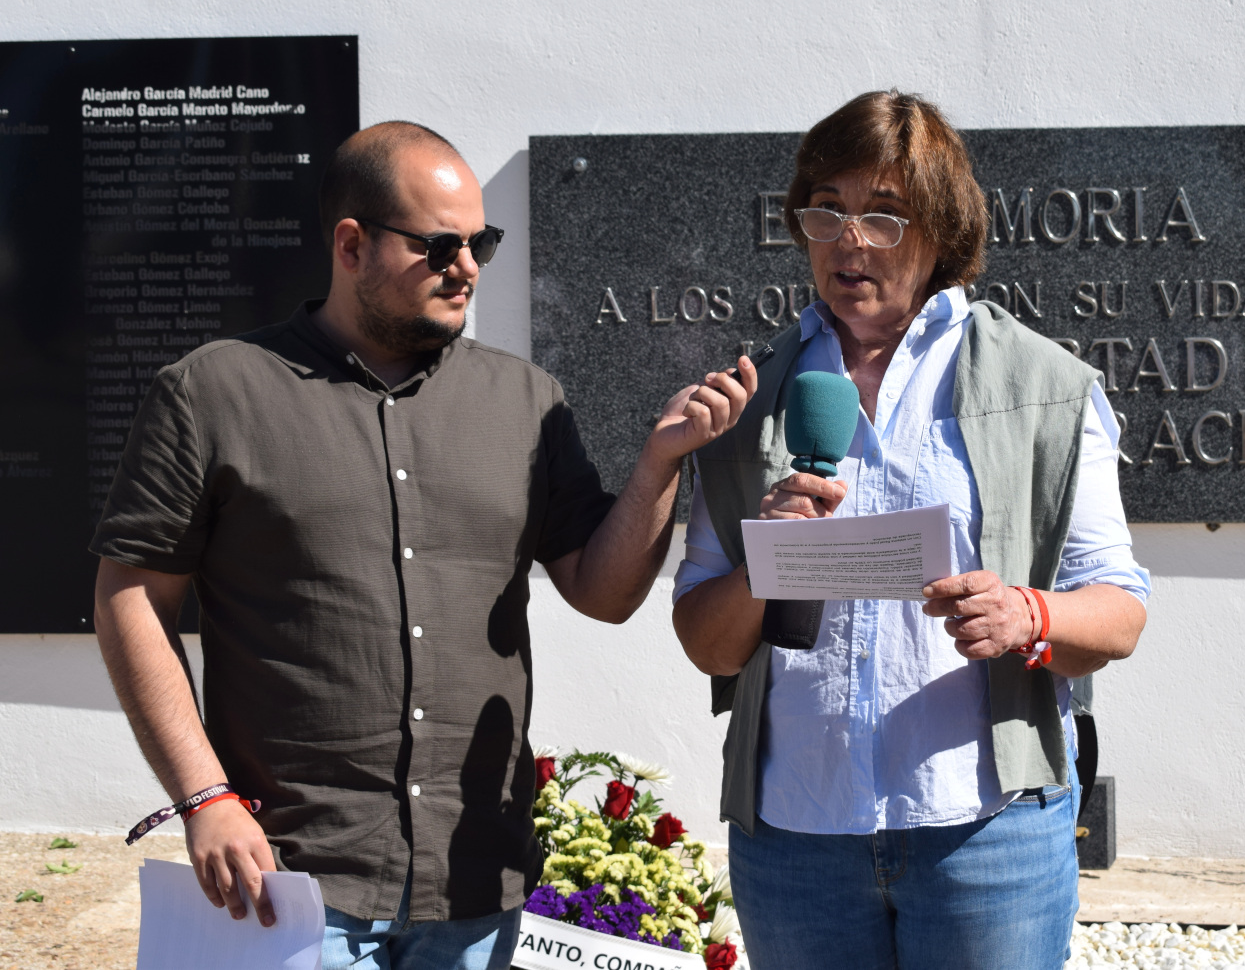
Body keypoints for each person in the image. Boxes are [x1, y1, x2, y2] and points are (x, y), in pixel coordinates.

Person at [92, 121, 758, 970]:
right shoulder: (213, 392)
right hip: (289, 886)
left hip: (472, 889)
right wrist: (204, 796)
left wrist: (661, 462)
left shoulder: (526, 400)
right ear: (351, 244)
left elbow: (604, 589)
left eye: (480, 241)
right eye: (441, 244)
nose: (469, 265)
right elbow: (130, 600)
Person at [671, 91, 1150, 970]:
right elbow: (707, 641)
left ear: (942, 231)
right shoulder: (749, 401)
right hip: (798, 837)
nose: (850, 240)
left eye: (885, 216)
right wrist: (767, 563)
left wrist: (1027, 617)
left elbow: (1119, 611)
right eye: (830, 211)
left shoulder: (1047, 384)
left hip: (986, 830)